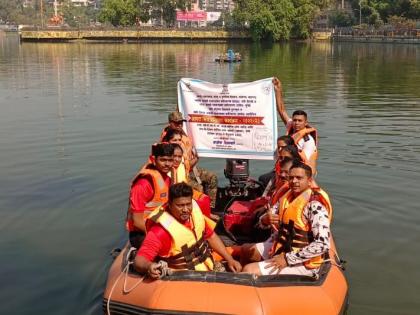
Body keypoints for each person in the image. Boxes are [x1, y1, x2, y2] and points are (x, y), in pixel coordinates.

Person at [241, 162, 332, 276]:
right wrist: (265, 220)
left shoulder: (315, 206)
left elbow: (323, 244)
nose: (294, 181)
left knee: (249, 270)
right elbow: (263, 222)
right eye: (291, 178)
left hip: (303, 262)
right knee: (245, 250)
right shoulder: (286, 198)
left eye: (299, 178)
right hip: (282, 248)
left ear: (309, 181)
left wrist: (287, 259)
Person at [134, 183, 242, 279]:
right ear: (170, 205)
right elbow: (139, 260)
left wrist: (229, 259)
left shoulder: (195, 214)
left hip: (209, 265)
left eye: (188, 204)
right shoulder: (160, 231)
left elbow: (211, 236)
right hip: (186, 279)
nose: (186, 210)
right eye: (180, 205)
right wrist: (149, 266)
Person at [161, 111, 218, 211]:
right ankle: (198, 211)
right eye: (176, 123)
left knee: (212, 177)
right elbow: (177, 168)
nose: (179, 125)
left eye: (181, 123)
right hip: (183, 173)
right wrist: (196, 159)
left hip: (190, 168)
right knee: (198, 189)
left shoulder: (182, 133)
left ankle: (210, 208)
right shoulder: (167, 143)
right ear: (170, 123)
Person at [126, 143, 174, 248]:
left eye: (170, 160)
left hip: (160, 225)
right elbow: (137, 222)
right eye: (163, 160)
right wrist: (156, 236)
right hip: (142, 232)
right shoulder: (143, 184)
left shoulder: (166, 178)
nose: (167, 164)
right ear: (153, 159)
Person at [273, 77, 318, 174]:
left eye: (300, 121)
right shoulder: (291, 126)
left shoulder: (308, 141)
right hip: (284, 167)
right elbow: (281, 110)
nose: (296, 123)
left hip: (297, 171)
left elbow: (303, 162)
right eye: (295, 120)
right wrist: (278, 89)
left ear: (305, 123)